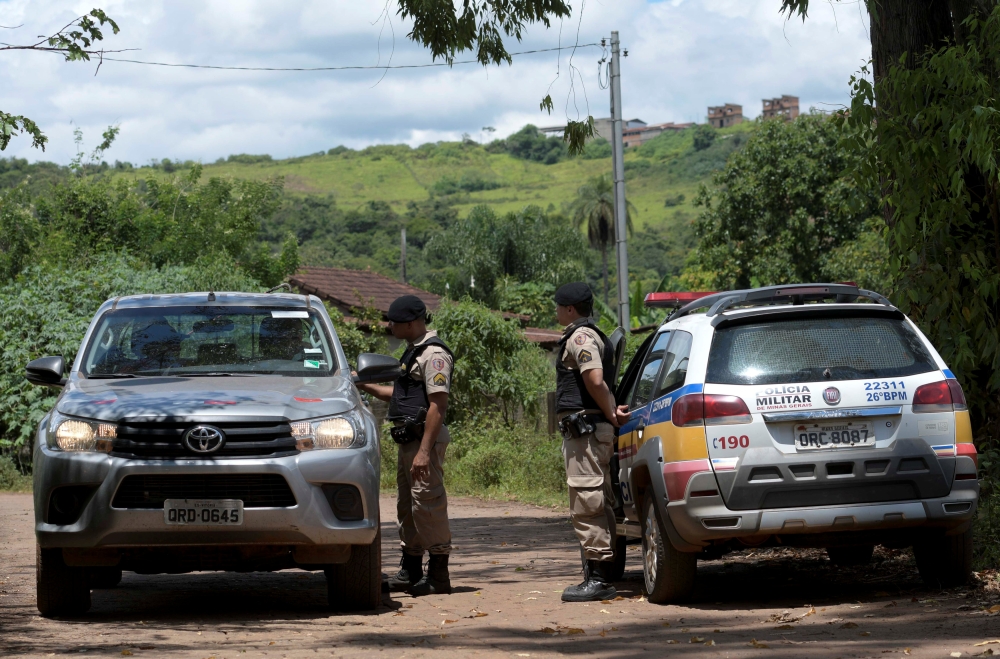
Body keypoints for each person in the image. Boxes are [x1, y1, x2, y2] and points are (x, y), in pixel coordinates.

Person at [356, 295, 455, 596]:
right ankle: (410, 569)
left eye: (394, 322)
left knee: (427, 503)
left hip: (423, 441)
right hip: (409, 441)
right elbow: (399, 396)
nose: (390, 326)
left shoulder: (434, 355)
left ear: (411, 323)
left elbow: (438, 405)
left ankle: (439, 574)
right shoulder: (413, 353)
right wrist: (362, 383)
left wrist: (425, 451)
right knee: (407, 506)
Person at [553, 282, 630, 602]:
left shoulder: (581, 337)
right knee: (599, 497)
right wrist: (611, 410)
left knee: (587, 499)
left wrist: (610, 412)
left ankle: (598, 578)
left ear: (570, 309)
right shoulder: (590, 333)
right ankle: (605, 570)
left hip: (585, 432)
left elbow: (595, 379)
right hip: (591, 429)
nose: (555, 311)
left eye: (558, 306)